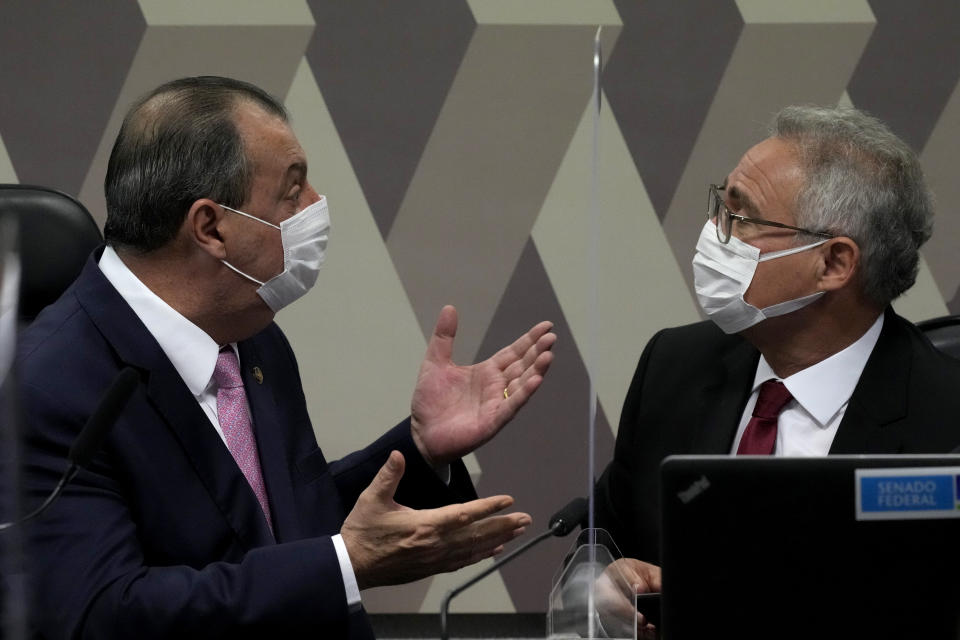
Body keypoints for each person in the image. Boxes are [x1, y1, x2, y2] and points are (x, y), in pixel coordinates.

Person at [14, 76, 556, 639]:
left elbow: (279, 525)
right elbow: (104, 615)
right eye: (292, 191)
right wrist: (346, 563)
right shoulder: (44, 390)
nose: (317, 205)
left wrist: (418, 448)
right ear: (210, 227)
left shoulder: (249, 333)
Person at [593, 105, 960, 632]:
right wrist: (606, 584)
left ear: (833, 263)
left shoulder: (946, 424)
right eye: (721, 205)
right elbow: (599, 539)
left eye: (742, 218)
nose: (713, 233)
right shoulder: (674, 369)